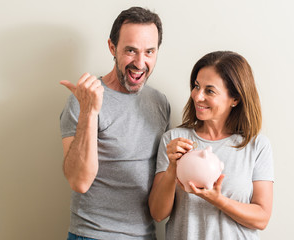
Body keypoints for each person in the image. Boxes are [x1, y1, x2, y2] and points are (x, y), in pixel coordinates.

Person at [60, 6, 171, 240]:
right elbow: (78, 181)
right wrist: (89, 112)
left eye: (149, 52)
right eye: (131, 50)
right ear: (112, 47)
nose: (140, 63)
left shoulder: (160, 103)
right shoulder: (84, 98)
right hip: (92, 235)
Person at [149, 51, 274, 240]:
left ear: (235, 99)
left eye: (209, 90)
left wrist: (218, 200)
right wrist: (172, 168)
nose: (197, 96)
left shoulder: (256, 145)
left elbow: (261, 219)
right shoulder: (174, 140)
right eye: (196, 86)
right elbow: (158, 214)